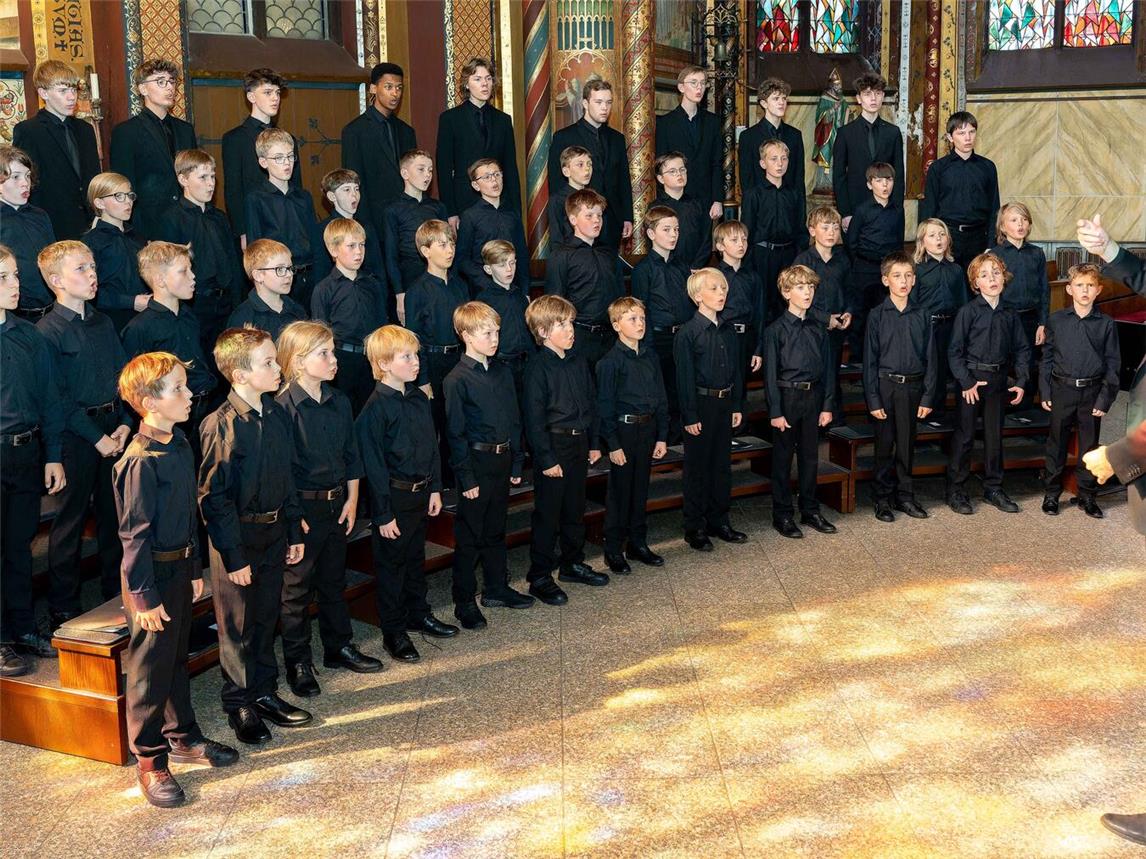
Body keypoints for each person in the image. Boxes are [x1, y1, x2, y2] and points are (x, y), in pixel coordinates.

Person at [113, 352, 239, 808]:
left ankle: (183, 736)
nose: (190, 395)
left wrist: (192, 572)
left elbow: (189, 516)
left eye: (187, 386)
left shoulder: (180, 443)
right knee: (149, 669)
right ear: (148, 402)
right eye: (179, 390)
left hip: (178, 568)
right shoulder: (140, 460)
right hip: (148, 577)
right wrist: (144, 599)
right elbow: (133, 536)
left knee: (176, 657)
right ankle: (149, 760)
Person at [198, 326, 310, 745]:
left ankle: (264, 691)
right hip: (239, 538)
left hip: (276, 529)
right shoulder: (221, 426)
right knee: (237, 626)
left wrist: (295, 526)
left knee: (265, 617)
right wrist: (234, 557)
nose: (277, 367)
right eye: (267, 362)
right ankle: (239, 703)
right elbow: (215, 499)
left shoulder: (276, 412)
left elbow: (288, 476)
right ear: (240, 374)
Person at [274, 320, 383, 699]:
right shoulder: (282, 408)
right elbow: (281, 469)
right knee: (296, 591)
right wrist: (293, 516)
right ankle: (298, 662)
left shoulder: (340, 401)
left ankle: (339, 647)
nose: (334, 360)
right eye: (325, 353)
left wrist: (353, 499)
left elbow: (351, 454)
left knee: (334, 580)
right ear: (300, 361)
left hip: (338, 503)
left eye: (333, 352)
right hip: (302, 508)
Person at [36, 241, 130, 623]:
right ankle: (64, 606)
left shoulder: (103, 321)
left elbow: (124, 377)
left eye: (92, 267)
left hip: (115, 427)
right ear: (56, 280)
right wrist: (97, 437)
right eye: (81, 269)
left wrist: (125, 422)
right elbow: (56, 398)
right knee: (70, 521)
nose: (92, 275)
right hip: (78, 435)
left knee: (114, 516)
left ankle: (114, 591)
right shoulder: (47, 331)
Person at [356, 324, 450, 663]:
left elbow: (432, 447)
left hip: (421, 493)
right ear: (383, 364)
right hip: (393, 499)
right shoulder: (374, 409)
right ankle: (393, 631)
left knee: (414, 558)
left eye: (416, 355)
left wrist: (436, 487)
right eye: (406, 356)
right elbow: (374, 467)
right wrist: (382, 514)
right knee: (391, 566)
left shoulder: (418, 398)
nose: (415, 362)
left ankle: (418, 612)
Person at [444, 301, 534, 629]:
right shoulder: (457, 379)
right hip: (477, 462)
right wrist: (466, 478)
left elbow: (514, 418)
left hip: (503, 458)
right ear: (466, 335)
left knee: (496, 529)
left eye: (497, 332)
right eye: (487, 333)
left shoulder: (502, 371)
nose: (495, 338)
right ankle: (464, 600)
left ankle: (496, 587)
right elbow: (455, 433)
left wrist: (516, 463)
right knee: (470, 535)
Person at [0, 244, 65, 677]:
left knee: (19, 548)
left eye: (16, 276)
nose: (14, 285)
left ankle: (23, 627)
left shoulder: (29, 336)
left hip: (27, 453)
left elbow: (49, 399)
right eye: (3, 278)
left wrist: (53, 456)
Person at [522, 294, 606, 605]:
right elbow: (533, 417)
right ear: (543, 332)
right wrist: (545, 458)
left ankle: (572, 563)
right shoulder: (537, 368)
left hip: (579, 441)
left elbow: (592, 403)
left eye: (570, 323)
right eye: (561, 324)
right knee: (548, 514)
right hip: (554, 446)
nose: (570, 329)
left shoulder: (578, 361)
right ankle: (540, 576)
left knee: (575, 507)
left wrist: (594, 442)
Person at [946, 252, 1030, 515]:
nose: (991, 278)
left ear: (1003, 278)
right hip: (972, 381)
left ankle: (993, 487)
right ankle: (956, 490)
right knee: (965, 436)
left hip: (998, 381)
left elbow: (1023, 349)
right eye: (984, 275)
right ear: (976, 283)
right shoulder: (967, 312)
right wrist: (966, 382)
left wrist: (1022, 379)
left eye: (995, 273)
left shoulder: (1010, 314)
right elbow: (955, 352)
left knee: (995, 437)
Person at [862, 252, 939, 522]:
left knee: (907, 446)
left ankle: (905, 496)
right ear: (886, 280)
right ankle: (882, 499)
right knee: (884, 447)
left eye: (908, 275)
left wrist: (928, 396)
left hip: (913, 389)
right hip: (886, 387)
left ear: (914, 279)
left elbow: (931, 358)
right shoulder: (876, 315)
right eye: (897, 276)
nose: (903, 281)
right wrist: (873, 399)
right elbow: (870, 361)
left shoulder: (922, 314)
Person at [674, 267, 748, 551]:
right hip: (701, 405)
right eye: (714, 289)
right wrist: (690, 415)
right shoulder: (688, 333)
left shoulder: (728, 329)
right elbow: (684, 379)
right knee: (698, 469)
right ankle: (695, 527)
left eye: (724, 289)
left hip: (724, 402)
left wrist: (737, 404)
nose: (721, 293)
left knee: (721, 466)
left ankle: (720, 521)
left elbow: (736, 370)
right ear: (697, 296)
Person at [121, 242, 217, 457]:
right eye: (183, 271)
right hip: (172, 420)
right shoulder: (139, 328)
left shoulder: (190, 315)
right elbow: (133, 386)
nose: (193, 277)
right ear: (160, 280)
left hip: (205, 405)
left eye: (191, 269)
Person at [763, 265, 837, 539]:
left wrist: (827, 405)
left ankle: (810, 509)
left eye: (811, 287)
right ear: (786, 292)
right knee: (782, 459)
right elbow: (770, 375)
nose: (807, 292)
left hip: (814, 397)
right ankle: (782, 514)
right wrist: (775, 410)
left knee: (810, 458)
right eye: (800, 287)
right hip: (787, 397)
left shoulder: (818, 329)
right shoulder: (775, 331)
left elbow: (829, 370)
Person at [1039, 263, 1119, 518]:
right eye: (1080, 285)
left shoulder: (1106, 324)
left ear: (1099, 290)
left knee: (1089, 447)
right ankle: (1051, 494)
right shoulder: (1057, 320)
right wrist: (1046, 391)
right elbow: (1047, 358)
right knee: (1056, 444)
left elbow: (1112, 363)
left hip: (1092, 393)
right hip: (1062, 390)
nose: (1085, 290)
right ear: (1070, 289)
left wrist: (1105, 398)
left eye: (1090, 286)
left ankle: (1087, 495)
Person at [596, 296, 669, 573]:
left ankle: (637, 543)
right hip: (623, 432)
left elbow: (661, 397)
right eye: (632, 319)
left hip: (648, 429)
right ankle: (613, 548)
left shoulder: (650, 355)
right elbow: (604, 408)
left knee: (640, 489)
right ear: (616, 325)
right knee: (620, 492)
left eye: (642, 318)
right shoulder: (610, 363)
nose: (640, 324)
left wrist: (662, 435)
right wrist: (612, 444)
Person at [156, 149, 245, 364]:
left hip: (226, 304)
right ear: (183, 179)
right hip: (196, 306)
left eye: (213, 176)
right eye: (203, 177)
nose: (211, 184)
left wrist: (239, 302)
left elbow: (233, 262)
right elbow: (170, 270)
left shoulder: (220, 218)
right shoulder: (171, 218)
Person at [404, 219, 468, 482]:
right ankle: (441, 486)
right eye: (442, 244)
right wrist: (424, 379)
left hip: (460, 360)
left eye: (451, 242)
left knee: (462, 425)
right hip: (434, 363)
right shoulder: (417, 291)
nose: (450, 249)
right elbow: (415, 340)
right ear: (425, 251)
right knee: (439, 427)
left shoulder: (460, 285)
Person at [110, 59, 197, 239]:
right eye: (160, 82)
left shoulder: (185, 129)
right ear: (143, 89)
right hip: (149, 224)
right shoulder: (126, 131)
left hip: (187, 219)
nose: (170, 88)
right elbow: (124, 183)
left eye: (172, 81)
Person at [13, 61, 101, 240]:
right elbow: (28, 181)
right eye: (63, 91)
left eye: (74, 90)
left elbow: (93, 177)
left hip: (88, 223)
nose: (71, 97)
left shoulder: (85, 129)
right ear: (43, 93)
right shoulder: (29, 130)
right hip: (51, 223)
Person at [311, 217, 389, 413]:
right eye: (351, 246)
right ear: (333, 250)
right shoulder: (323, 289)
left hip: (372, 359)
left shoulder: (373, 284)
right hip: (342, 362)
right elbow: (320, 335)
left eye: (362, 245)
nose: (359, 252)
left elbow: (382, 324)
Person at [547, 80, 633, 249]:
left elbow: (623, 179)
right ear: (585, 103)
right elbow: (556, 182)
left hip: (612, 220)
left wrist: (627, 216)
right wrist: (567, 219)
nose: (604, 108)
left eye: (608, 102)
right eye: (598, 102)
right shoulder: (563, 137)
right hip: (579, 222)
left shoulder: (617, 138)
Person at [631, 205, 692, 438]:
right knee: (662, 393)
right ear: (651, 234)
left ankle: (683, 438)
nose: (674, 234)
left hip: (683, 336)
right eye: (666, 229)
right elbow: (641, 311)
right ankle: (664, 440)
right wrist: (646, 347)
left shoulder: (682, 267)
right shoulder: (643, 270)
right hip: (658, 338)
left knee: (683, 390)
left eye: (676, 229)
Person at [543, 188, 622, 369]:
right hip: (579, 337)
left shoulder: (608, 253)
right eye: (589, 216)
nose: (596, 220)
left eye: (599, 216)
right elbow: (555, 301)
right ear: (573, 220)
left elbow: (619, 295)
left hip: (611, 336)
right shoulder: (561, 256)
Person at [436, 58, 522, 223]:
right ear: (466, 84)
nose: (485, 84)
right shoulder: (450, 119)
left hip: (499, 204)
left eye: (488, 78)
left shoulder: (503, 120)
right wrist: (451, 212)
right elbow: (444, 169)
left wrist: (515, 210)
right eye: (478, 79)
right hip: (464, 203)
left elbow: (510, 168)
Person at [221, 68, 302, 243]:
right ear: (251, 97)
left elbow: (296, 185)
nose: (275, 98)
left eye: (277, 93)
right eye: (267, 92)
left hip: (287, 219)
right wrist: (243, 232)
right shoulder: (235, 139)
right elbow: (233, 190)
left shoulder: (289, 139)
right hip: (255, 223)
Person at [341, 63, 417, 250]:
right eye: (388, 87)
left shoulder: (406, 131)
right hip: (373, 222)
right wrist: (364, 225)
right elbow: (354, 181)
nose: (395, 94)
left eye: (399, 88)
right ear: (373, 89)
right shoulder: (354, 131)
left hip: (405, 221)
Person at [244, 128, 319, 310]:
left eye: (290, 156)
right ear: (263, 162)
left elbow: (315, 240)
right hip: (278, 279)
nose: (287, 163)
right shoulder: (256, 199)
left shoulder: (304, 197)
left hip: (309, 277)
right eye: (278, 158)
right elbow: (256, 248)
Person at [918, 111, 1000, 274]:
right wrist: (929, 243)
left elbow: (994, 208)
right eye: (961, 133)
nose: (967, 138)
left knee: (976, 287)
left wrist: (992, 244)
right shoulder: (938, 168)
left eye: (971, 132)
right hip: (949, 236)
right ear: (950, 137)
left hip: (979, 237)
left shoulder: (988, 167)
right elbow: (930, 209)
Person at [792, 205, 852, 419]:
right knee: (814, 376)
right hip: (810, 329)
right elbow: (798, 300)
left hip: (836, 329)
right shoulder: (803, 261)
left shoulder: (843, 259)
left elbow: (850, 290)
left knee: (833, 377)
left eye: (835, 228)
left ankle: (834, 421)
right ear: (812, 230)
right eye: (825, 228)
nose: (831, 233)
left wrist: (848, 313)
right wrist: (826, 318)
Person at [843, 161, 905, 357]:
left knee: (885, 314)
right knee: (860, 314)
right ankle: (857, 358)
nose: (885, 185)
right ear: (870, 185)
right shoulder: (862, 210)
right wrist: (860, 262)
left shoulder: (897, 210)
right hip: (864, 268)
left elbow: (899, 241)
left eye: (888, 180)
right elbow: (851, 242)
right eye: (879, 181)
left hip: (887, 270)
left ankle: (883, 356)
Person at [742, 139, 806, 321]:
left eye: (784, 159)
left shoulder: (794, 193)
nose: (779, 164)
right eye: (773, 159)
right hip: (762, 255)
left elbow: (800, 228)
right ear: (763, 163)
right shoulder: (753, 194)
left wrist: (798, 257)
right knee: (762, 307)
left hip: (789, 255)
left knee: (788, 306)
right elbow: (747, 230)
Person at [991, 201, 1048, 405]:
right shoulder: (994, 255)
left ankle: (1027, 410)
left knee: (1030, 364)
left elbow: (1043, 290)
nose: (1020, 224)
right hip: (1005, 318)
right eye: (1014, 220)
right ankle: (1003, 410)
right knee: (1004, 363)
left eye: (1024, 219)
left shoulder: (1036, 253)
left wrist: (1042, 323)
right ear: (1002, 226)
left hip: (1030, 318)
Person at [383, 149, 448, 322]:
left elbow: (447, 247)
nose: (427, 175)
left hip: (437, 278)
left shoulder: (438, 207)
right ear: (405, 173)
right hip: (408, 281)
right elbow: (391, 255)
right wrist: (399, 293)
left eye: (430, 170)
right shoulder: (393, 209)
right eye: (421, 169)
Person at [831, 73, 904, 228]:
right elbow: (839, 176)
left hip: (886, 208)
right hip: (855, 208)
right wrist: (845, 213)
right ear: (859, 99)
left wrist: (896, 209)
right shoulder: (845, 133)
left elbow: (898, 174)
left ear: (883, 97)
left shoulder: (893, 132)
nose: (873, 98)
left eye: (877, 94)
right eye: (867, 94)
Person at [912, 218, 965, 424]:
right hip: (927, 327)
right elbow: (913, 304)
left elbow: (962, 302)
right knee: (928, 373)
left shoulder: (956, 270)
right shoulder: (917, 270)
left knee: (943, 373)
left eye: (942, 234)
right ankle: (922, 419)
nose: (939, 239)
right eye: (932, 235)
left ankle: (940, 419)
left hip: (949, 326)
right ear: (923, 242)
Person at [82, 173, 149, 333]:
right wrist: (131, 302)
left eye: (130, 195)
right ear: (99, 203)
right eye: (119, 196)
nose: (128, 201)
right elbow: (89, 291)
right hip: (113, 322)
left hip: (144, 318)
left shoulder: (136, 236)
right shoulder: (91, 243)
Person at [472, 239, 533, 412]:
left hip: (526, 362)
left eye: (512, 263)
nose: (509, 269)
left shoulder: (520, 295)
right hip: (502, 364)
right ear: (488, 269)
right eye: (502, 265)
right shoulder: (484, 300)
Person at [656, 66, 723, 220]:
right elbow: (661, 164)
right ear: (681, 87)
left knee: (704, 243)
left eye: (702, 83)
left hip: (705, 199)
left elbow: (717, 163)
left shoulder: (713, 122)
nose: (699, 88)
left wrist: (717, 199)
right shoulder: (665, 123)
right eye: (694, 83)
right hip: (676, 198)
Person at [455, 157, 530, 293]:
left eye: (497, 174)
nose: (494, 180)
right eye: (487, 177)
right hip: (484, 288)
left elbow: (522, 253)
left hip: (513, 287)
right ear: (476, 186)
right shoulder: (470, 216)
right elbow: (462, 259)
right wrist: (485, 283)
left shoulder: (512, 213)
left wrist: (525, 291)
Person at [0, 145, 56, 318]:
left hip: (52, 311)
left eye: (27, 176)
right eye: (15, 177)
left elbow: (54, 260)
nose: (25, 183)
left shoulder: (40, 215)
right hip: (17, 316)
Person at [713, 219, 768, 388]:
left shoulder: (753, 277)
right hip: (722, 337)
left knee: (740, 389)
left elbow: (760, 314)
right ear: (720, 246)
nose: (741, 244)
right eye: (734, 240)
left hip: (746, 338)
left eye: (744, 239)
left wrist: (758, 349)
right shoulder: (714, 276)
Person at [313, 168, 385, 286]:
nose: (354, 194)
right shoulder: (322, 230)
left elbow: (378, 267)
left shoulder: (367, 226)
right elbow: (321, 271)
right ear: (332, 196)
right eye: (346, 190)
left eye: (356, 189)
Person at [739, 77, 805, 197]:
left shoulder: (795, 135)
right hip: (761, 207)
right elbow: (747, 181)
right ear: (764, 103)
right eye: (776, 98)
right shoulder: (748, 137)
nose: (782, 103)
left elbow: (799, 180)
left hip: (788, 206)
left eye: (784, 98)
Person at [228, 239, 308, 339]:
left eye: (290, 268)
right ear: (258, 275)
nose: (289, 274)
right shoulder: (242, 319)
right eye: (280, 269)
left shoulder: (296, 310)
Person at [651, 152, 712, 269]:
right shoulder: (656, 208)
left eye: (682, 170)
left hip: (695, 269)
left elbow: (706, 240)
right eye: (672, 171)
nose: (679, 174)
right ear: (660, 178)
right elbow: (656, 243)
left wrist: (696, 266)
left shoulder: (698, 205)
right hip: (666, 269)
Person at [547, 145, 593, 249]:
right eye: (580, 165)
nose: (587, 169)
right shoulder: (557, 200)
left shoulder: (594, 197)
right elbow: (556, 237)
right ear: (566, 172)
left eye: (589, 164)